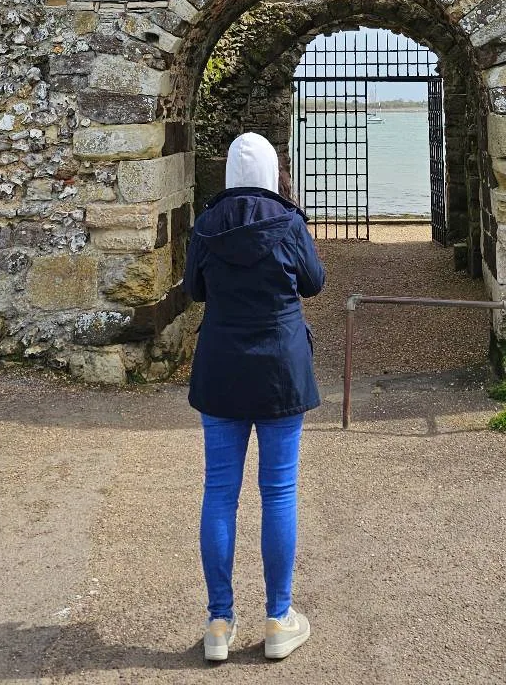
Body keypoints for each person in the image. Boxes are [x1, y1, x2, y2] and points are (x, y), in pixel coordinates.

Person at [182, 130, 326, 664]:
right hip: (279, 368)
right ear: (271, 171)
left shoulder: (206, 223)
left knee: (219, 492)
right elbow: (314, 282)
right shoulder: (288, 223)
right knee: (279, 491)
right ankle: (277, 617)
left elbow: (193, 289)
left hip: (221, 365)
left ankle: (219, 621)